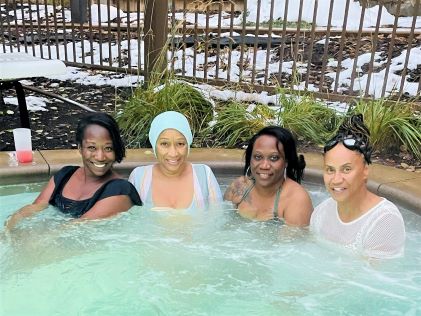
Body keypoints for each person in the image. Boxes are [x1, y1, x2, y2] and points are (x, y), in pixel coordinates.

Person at [5, 112, 142, 230]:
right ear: (80, 148)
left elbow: (77, 228)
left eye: (108, 148)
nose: (100, 157)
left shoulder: (120, 191)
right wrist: (9, 228)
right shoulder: (65, 176)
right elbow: (36, 207)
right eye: (92, 148)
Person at [310, 114, 405, 259]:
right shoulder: (321, 213)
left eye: (346, 169)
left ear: (365, 170)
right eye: (330, 169)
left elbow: (372, 278)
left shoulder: (385, 221)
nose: (336, 180)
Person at [129, 111, 222, 210]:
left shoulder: (204, 175)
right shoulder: (138, 177)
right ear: (154, 145)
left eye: (180, 144)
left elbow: (218, 218)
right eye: (164, 144)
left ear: (188, 145)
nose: (173, 153)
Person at [224, 126, 313, 225]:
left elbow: (293, 240)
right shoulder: (239, 187)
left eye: (274, 158)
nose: (264, 166)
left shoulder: (296, 200)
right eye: (258, 157)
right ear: (250, 159)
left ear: (286, 161)